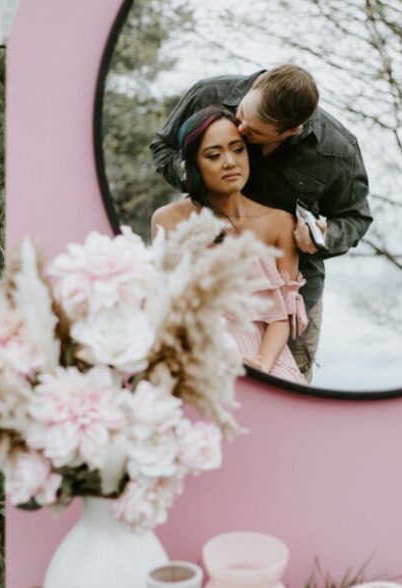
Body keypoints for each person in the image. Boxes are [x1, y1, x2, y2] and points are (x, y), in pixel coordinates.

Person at [150, 64, 373, 382]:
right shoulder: (208, 94)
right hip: (207, 291)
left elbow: (356, 217)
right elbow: (162, 147)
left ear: (291, 130)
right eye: (239, 115)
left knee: (288, 398)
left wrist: (323, 236)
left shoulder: (336, 151)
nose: (239, 130)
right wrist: (200, 177)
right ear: (255, 87)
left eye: (252, 134)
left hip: (288, 296)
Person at [151, 105, 307, 385]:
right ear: (194, 164)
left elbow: (280, 318)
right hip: (202, 357)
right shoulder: (168, 220)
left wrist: (260, 366)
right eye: (214, 155)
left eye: (237, 149)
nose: (230, 162)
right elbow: (169, 311)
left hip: (268, 358)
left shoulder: (280, 222)